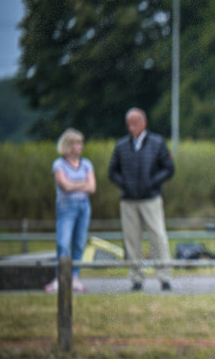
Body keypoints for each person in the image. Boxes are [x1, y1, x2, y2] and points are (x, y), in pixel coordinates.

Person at [108, 108, 175, 291]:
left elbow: (168, 168)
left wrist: (152, 182)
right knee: (132, 240)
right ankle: (136, 278)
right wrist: (125, 184)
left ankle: (164, 277)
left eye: (135, 123)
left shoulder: (157, 142)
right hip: (129, 200)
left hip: (151, 198)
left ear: (143, 123)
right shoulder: (121, 145)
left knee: (158, 236)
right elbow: (112, 171)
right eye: (129, 124)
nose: (131, 128)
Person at [45, 128, 96, 293]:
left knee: (79, 244)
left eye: (81, 143)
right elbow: (65, 186)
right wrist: (82, 183)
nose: (80, 146)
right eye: (76, 143)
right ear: (68, 145)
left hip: (84, 206)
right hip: (66, 207)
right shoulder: (59, 164)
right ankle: (60, 277)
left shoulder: (86, 164)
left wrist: (75, 184)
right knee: (63, 243)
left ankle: (74, 276)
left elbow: (92, 187)